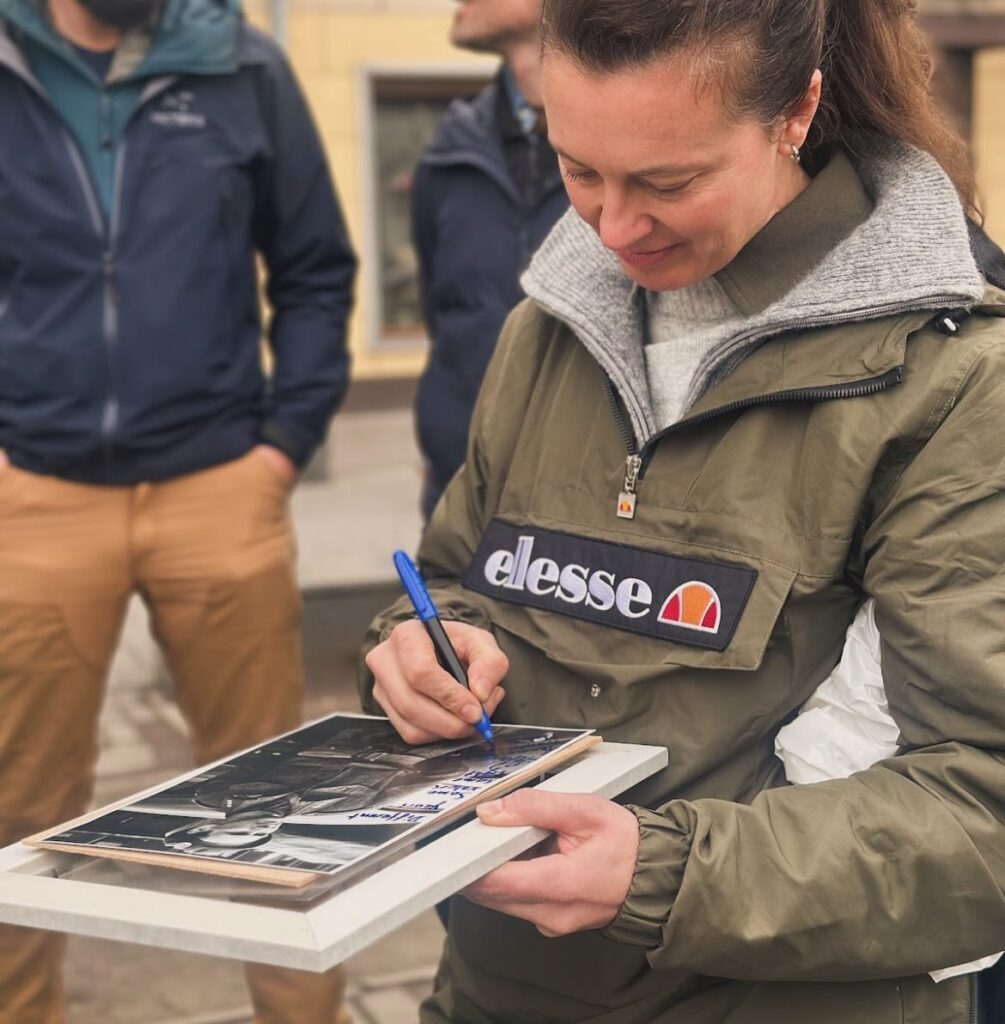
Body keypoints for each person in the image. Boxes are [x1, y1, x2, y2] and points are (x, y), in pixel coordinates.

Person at [362, 0, 1005, 1020]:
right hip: (500, 985)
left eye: (669, 182)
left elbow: (981, 812)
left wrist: (658, 872)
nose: (614, 229)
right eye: (578, 170)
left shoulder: (953, 383)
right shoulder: (545, 330)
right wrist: (422, 648)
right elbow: (450, 578)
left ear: (796, 111)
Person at [0, 0, 356, 1019]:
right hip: (35, 497)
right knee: (18, 810)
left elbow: (317, 269)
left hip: (220, 489)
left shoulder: (245, 69)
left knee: (279, 806)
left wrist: (281, 449)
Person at [412, 0, 568, 520]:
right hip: (458, 494)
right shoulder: (448, 148)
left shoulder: (634, 143)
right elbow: (442, 315)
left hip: (579, 508)